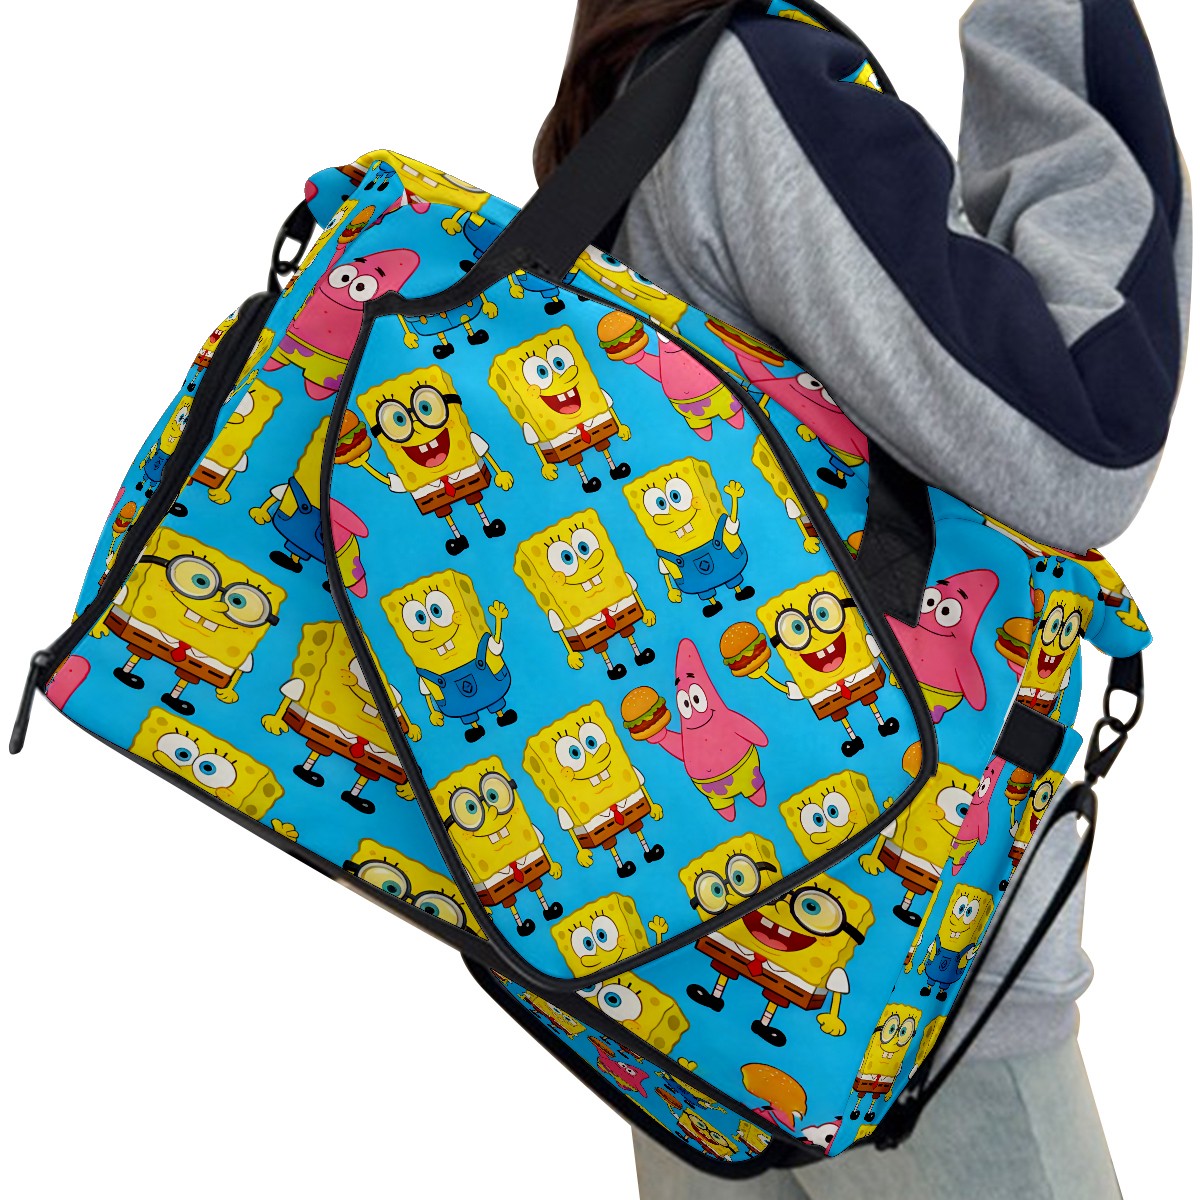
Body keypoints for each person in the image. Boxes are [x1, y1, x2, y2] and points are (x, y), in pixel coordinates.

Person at [533, 2, 1190, 1197]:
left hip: (678, 974)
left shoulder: (627, 121)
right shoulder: (756, 88)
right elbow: (1085, 435)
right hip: (903, 990)